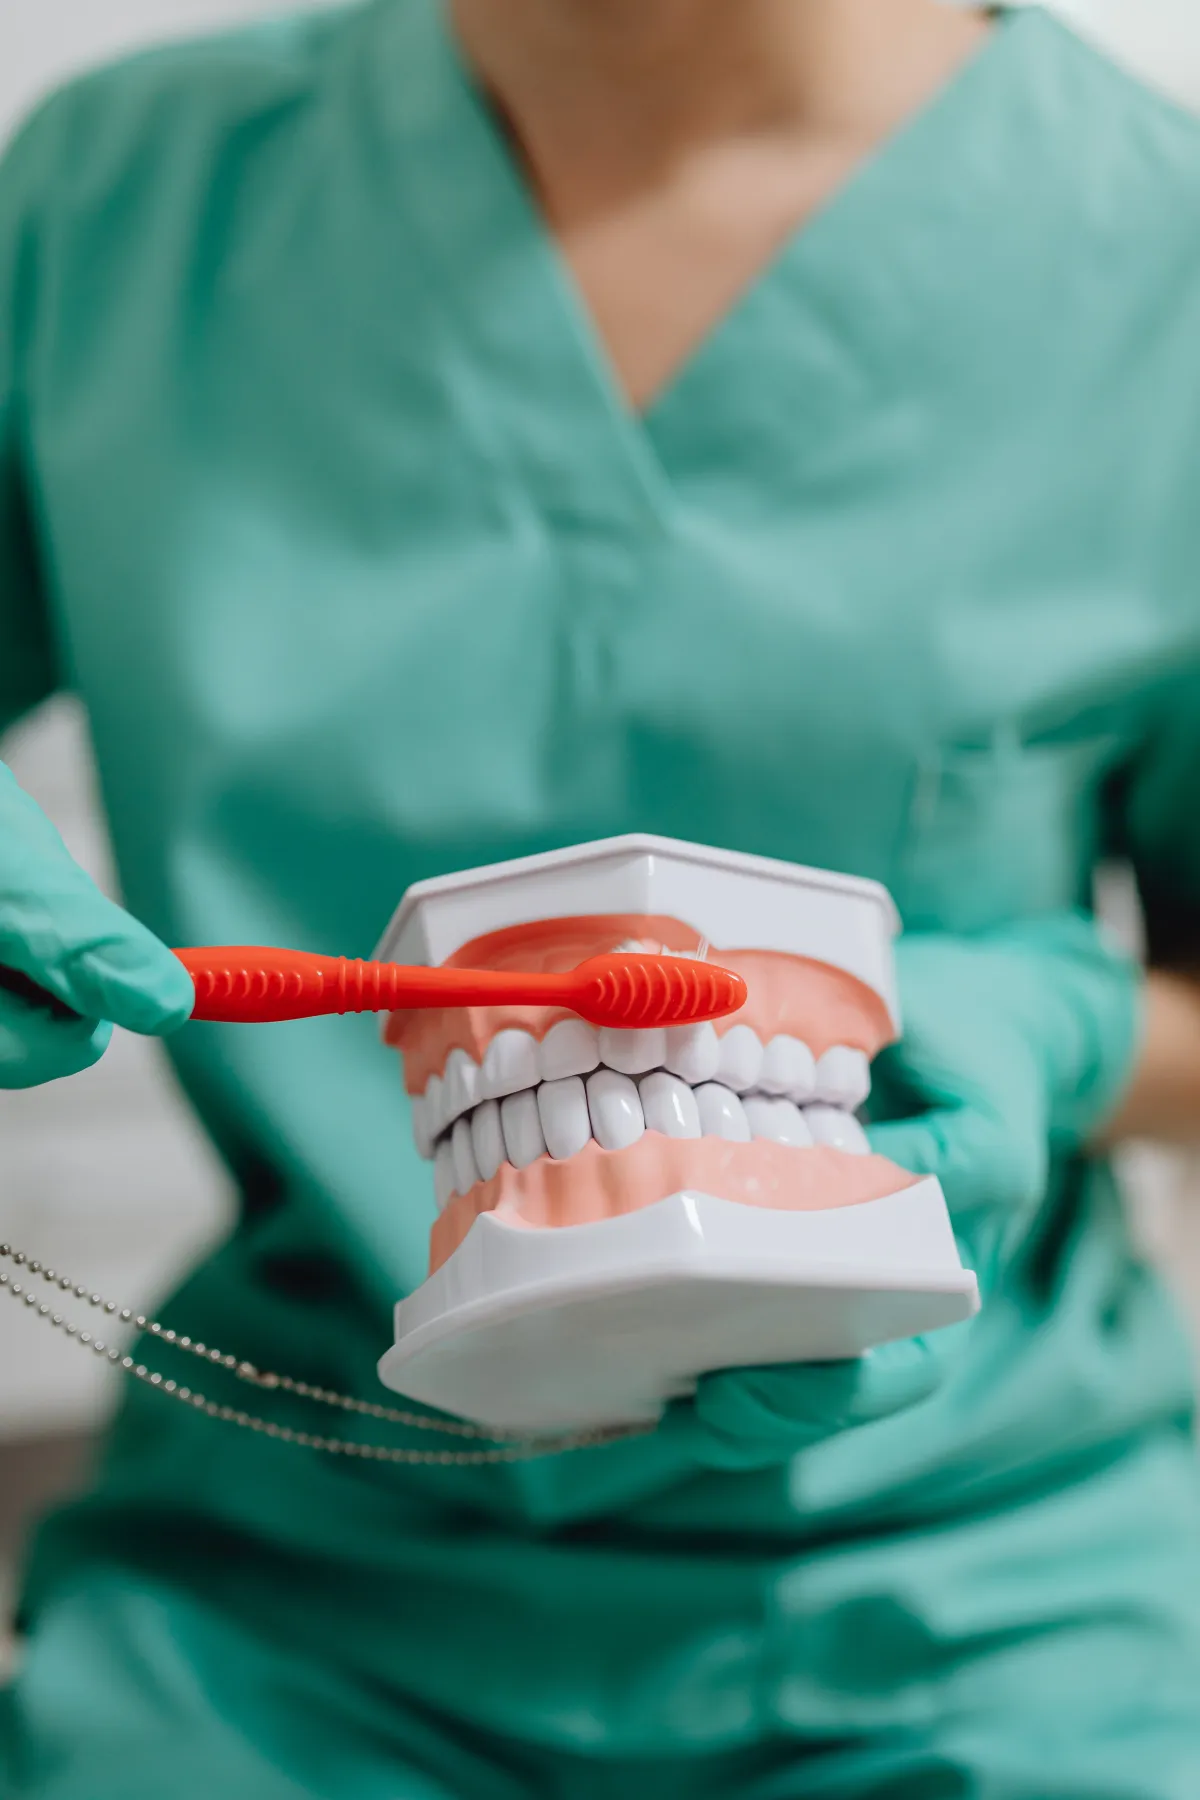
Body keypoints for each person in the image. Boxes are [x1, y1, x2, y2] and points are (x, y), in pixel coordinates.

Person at [2, 0, 1200, 1792]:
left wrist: (1075, 1032)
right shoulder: (116, 203)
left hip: (988, 1585)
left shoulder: (1159, 264)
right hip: (277, 1582)